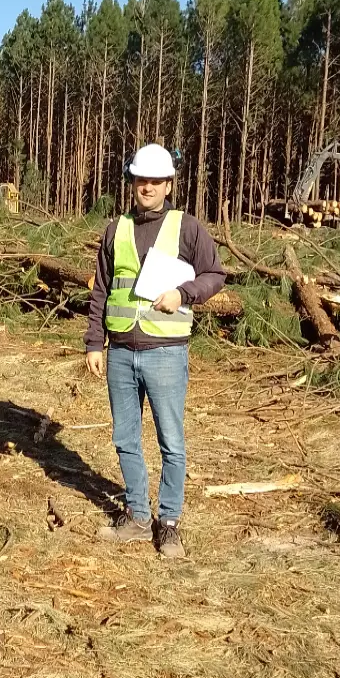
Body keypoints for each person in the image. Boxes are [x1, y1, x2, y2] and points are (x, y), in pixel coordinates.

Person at [85, 144, 225, 558]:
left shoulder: (187, 228)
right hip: (120, 352)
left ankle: (169, 522)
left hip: (166, 353)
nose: (147, 187)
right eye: (140, 180)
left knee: (171, 442)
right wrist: (94, 343)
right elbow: (101, 289)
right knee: (125, 438)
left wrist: (184, 293)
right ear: (132, 182)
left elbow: (215, 274)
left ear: (168, 185)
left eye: (155, 181)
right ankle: (137, 517)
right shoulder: (116, 229)